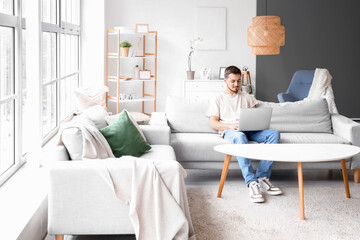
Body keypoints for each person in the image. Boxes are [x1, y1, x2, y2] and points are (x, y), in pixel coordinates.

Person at [207, 65, 282, 203]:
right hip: (231, 131)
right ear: (225, 81)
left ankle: (262, 178)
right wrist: (231, 125)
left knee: (274, 134)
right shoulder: (217, 98)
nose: (236, 84)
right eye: (233, 81)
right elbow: (213, 123)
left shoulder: (247, 97)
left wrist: (254, 124)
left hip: (250, 130)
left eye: (239, 81)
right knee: (240, 136)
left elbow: (255, 115)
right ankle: (252, 183)